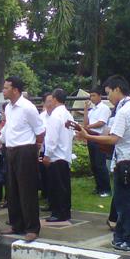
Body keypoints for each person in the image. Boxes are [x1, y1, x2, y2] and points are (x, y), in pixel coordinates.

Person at [77, 75, 130, 253]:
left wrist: (88, 136)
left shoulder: (124, 111)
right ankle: (122, 237)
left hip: (126, 162)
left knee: (125, 204)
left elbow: (114, 138)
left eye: (108, 94)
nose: (108, 98)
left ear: (116, 89)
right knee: (123, 202)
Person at [0, 76, 45, 242]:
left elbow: (40, 131)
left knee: (27, 190)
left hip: (25, 150)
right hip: (11, 149)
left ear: (15, 90)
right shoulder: (9, 108)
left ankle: (32, 228)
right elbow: (10, 128)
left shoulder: (27, 107)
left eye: (6, 87)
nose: (3, 90)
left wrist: (35, 148)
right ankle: (17, 224)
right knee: (12, 189)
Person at [42, 88, 75, 222]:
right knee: (64, 185)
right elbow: (73, 133)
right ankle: (65, 211)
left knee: (57, 186)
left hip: (56, 155)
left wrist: (47, 154)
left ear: (55, 99)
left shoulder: (55, 115)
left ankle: (58, 213)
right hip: (65, 153)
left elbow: (52, 138)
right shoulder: (68, 114)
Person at [83, 86, 112, 197]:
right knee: (94, 164)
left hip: (99, 137)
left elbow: (101, 122)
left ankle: (106, 189)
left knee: (100, 164)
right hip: (91, 136)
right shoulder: (93, 109)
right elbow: (85, 123)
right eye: (90, 96)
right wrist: (85, 110)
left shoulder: (104, 108)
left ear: (100, 96)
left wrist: (89, 126)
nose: (92, 98)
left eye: (94, 95)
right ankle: (98, 186)